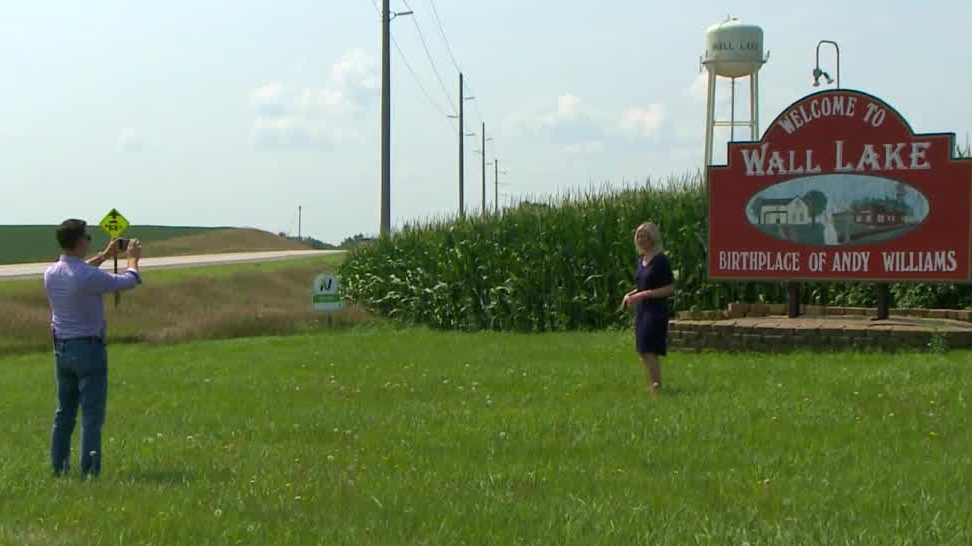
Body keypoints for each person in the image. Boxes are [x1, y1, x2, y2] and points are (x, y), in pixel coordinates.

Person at [44, 219, 144, 477]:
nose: (89, 240)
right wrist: (132, 259)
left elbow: (80, 272)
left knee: (64, 412)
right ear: (78, 242)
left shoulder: (52, 273)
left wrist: (105, 255)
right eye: (87, 237)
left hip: (62, 350)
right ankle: (89, 472)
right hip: (89, 348)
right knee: (91, 416)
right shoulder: (87, 277)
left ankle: (59, 468)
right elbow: (128, 281)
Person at [622, 222, 675, 397]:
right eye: (638, 236)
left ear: (653, 237)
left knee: (650, 348)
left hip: (656, 310)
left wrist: (643, 296)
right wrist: (630, 295)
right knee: (643, 349)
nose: (641, 239)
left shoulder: (661, 260)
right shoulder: (642, 260)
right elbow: (642, 285)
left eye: (645, 235)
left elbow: (668, 289)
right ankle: (653, 384)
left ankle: (657, 386)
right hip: (642, 310)